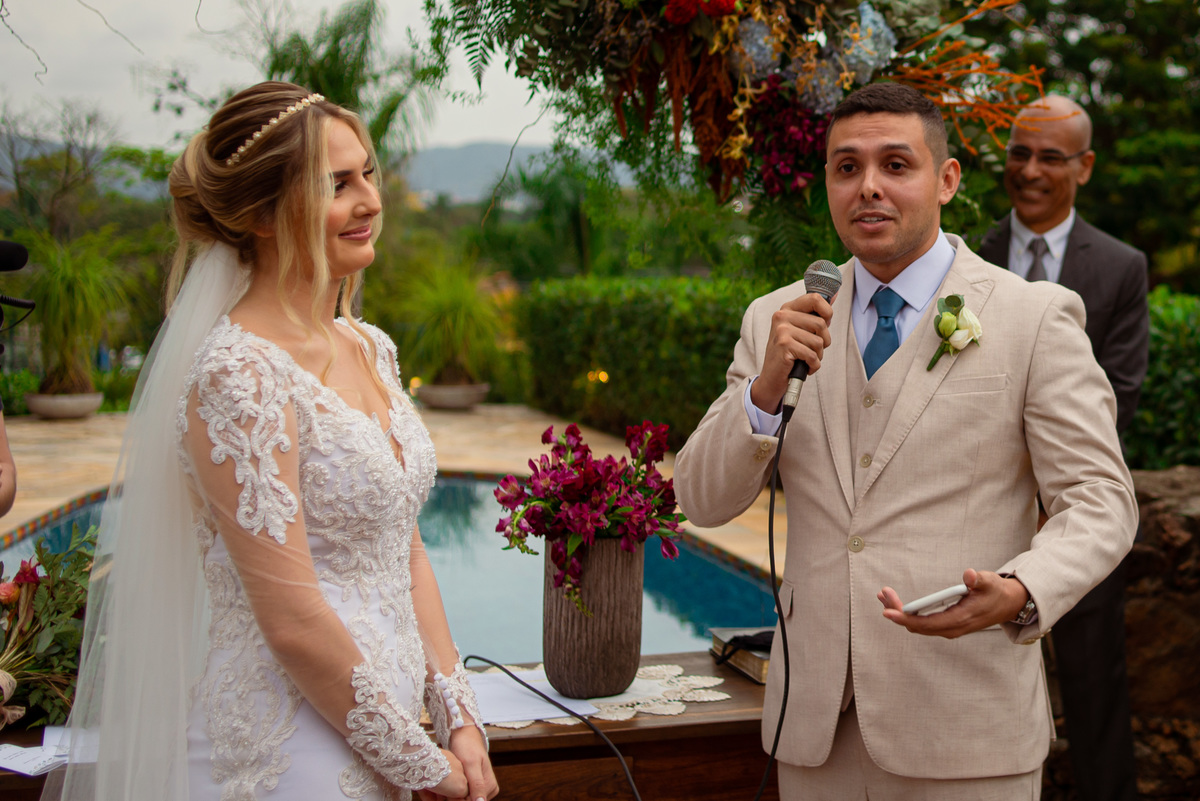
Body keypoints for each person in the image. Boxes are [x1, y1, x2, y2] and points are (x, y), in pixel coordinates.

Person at [674, 82, 1137, 799]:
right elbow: (700, 499)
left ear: (946, 179)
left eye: (896, 165)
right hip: (813, 733)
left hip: (965, 727)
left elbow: (1102, 501)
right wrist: (763, 392)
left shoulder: (1034, 317)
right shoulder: (777, 316)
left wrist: (1021, 589)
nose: (869, 188)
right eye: (846, 167)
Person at [44, 82, 498, 801]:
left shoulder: (369, 346)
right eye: (336, 184)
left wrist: (460, 719)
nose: (370, 201)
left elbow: (404, 549)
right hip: (292, 749)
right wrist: (421, 761)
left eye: (367, 175)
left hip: (390, 728)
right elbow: (290, 619)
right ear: (259, 213)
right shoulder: (238, 372)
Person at [979, 94, 1148, 801]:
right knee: (982, 687)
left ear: (1085, 165)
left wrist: (1057, 504)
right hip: (980, 516)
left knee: (1093, 686)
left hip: (1076, 517)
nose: (1031, 169)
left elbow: (1120, 393)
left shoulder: (1119, 265)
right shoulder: (964, 256)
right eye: (1020, 152)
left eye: (1051, 156)